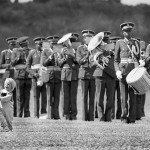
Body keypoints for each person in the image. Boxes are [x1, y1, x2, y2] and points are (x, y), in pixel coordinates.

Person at [114, 22, 140, 123]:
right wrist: (117, 71)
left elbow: (138, 58)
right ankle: (124, 117)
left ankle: (132, 118)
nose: (127, 33)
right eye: (125, 31)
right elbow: (116, 60)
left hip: (133, 72)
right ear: (122, 32)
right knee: (123, 97)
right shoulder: (119, 42)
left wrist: (140, 63)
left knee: (132, 96)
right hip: (123, 72)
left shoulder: (136, 42)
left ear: (131, 31)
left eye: (129, 31)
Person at [58, 33, 79, 120]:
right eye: (66, 41)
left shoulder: (76, 50)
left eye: (69, 41)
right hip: (65, 74)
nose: (67, 42)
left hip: (74, 74)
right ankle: (66, 114)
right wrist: (64, 58)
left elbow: (78, 61)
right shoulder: (61, 51)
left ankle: (73, 114)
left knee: (73, 96)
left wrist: (71, 55)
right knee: (65, 96)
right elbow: (59, 64)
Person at [76, 30, 95, 121]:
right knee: (84, 97)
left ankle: (91, 117)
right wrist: (87, 55)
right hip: (84, 74)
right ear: (84, 39)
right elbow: (79, 61)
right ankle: (84, 118)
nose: (89, 39)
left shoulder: (95, 47)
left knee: (92, 97)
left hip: (93, 74)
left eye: (90, 37)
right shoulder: (80, 48)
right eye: (87, 37)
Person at [41, 35, 61, 119]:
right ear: (49, 43)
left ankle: (56, 115)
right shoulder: (45, 51)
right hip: (49, 76)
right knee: (49, 97)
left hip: (58, 76)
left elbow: (61, 64)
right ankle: (49, 115)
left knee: (57, 97)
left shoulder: (59, 51)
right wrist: (49, 58)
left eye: (55, 43)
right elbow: (44, 64)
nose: (54, 44)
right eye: (52, 43)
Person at [97, 31, 116, 122]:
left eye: (106, 40)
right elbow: (92, 61)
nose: (105, 42)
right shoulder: (96, 48)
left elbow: (116, 60)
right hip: (100, 75)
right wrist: (100, 57)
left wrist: (112, 53)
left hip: (111, 75)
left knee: (110, 97)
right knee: (99, 97)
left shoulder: (112, 48)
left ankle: (108, 116)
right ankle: (101, 116)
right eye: (103, 40)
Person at [26, 37, 47, 118]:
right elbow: (27, 67)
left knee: (44, 96)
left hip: (44, 77)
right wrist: (34, 74)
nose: (41, 46)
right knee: (36, 96)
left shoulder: (46, 52)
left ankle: (43, 115)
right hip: (35, 78)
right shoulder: (32, 53)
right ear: (36, 44)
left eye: (42, 44)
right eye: (39, 44)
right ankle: (36, 115)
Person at [11, 36, 32, 118]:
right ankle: (19, 114)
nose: (27, 42)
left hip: (28, 75)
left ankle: (27, 114)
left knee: (27, 96)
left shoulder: (30, 51)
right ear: (22, 43)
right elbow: (12, 63)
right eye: (26, 41)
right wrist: (18, 58)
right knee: (19, 96)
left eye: (27, 41)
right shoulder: (15, 51)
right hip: (19, 76)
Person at [0, 37, 17, 117]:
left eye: (14, 44)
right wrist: (8, 65)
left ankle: (15, 113)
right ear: (9, 45)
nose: (13, 46)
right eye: (11, 44)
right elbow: (1, 65)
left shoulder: (18, 53)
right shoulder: (4, 53)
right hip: (6, 76)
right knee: (5, 94)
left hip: (15, 76)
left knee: (16, 95)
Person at [110, 36, 122, 119]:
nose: (114, 44)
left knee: (120, 97)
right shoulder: (108, 52)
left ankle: (119, 114)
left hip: (120, 76)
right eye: (113, 43)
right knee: (111, 97)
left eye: (116, 43)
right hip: (111, 76)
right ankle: (111, 114)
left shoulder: (121, 51)